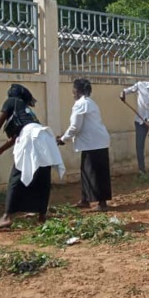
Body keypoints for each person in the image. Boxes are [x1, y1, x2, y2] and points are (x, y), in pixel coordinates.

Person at [0, 84, 65, 230]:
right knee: (43, 176)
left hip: (31, 137)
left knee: (17, 176)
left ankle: (6, 217)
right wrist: (1, 150)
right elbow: (15, 137)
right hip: (44, 136)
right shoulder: (27, 111)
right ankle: (42, 216)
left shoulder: (11, 101)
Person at [58, 79, 112, 210]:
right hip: (96, 142)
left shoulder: (81, 104)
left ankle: (102, 203)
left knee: (95, 173)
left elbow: (75, 126)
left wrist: (63, 139)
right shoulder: (89, 103)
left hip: (93, 143)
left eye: (73, 91)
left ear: (76, 91)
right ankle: (85, 199)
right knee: (87, 171)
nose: (72, 94)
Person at [120, 71, 149, 174]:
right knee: (139, 146)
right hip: (140, 122)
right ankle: (142, 170)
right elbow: (128, 90)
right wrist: (123, 93)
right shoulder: (140, 85)